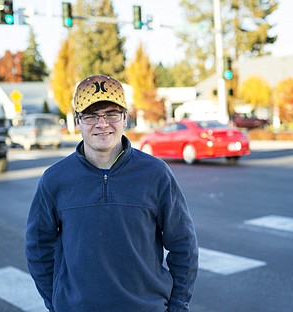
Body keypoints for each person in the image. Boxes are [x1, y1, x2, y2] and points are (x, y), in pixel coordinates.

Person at [25, 74, 198, 312]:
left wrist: (177, 305)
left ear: (125, 118)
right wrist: (56, 303)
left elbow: (184, 244)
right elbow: (37, 247)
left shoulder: (156, 174)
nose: (102, 123)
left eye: (111, 114)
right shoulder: (55, 179)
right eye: (91, 116)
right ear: (78, 121)